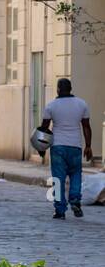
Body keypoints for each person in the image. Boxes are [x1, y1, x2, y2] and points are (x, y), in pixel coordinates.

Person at [39, 78, 93, 219]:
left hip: (57, 146)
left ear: (58, 89)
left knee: (58, 179)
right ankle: (75, 200)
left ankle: (60, 210)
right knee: (76, 174)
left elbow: (44, 128)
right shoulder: (81, 104)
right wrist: (88, 146)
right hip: (75, 146)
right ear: (70, 88)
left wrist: (41, 148)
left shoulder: (51, 106)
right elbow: (86, 126)